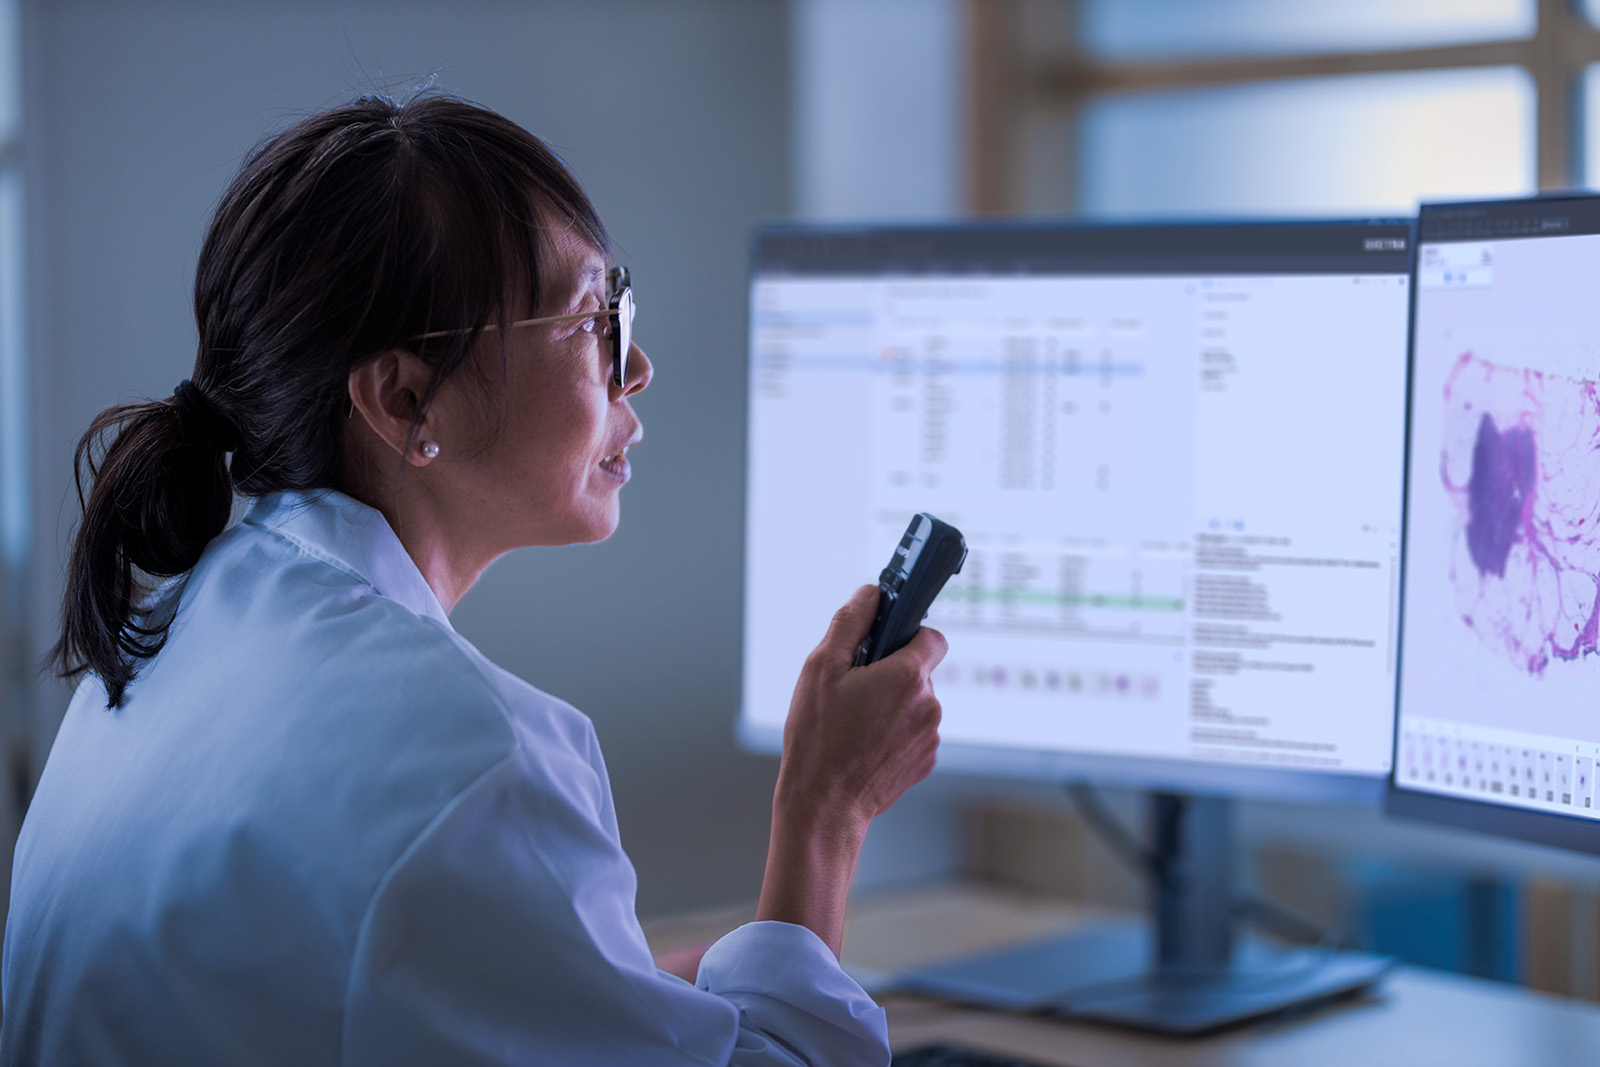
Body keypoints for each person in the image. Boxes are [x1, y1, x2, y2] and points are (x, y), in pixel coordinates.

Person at [0, 93, 945, 1065]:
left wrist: (605, 987)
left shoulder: (174, 640)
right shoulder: (473, 761)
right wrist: (824, 812)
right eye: (592, 319)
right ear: (405, 398)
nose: (639, 366)